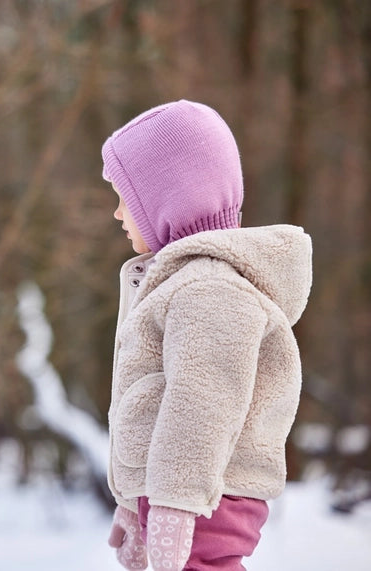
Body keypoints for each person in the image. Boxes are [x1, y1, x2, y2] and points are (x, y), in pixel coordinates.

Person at [101, 100, 313, 570]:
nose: (117, 213)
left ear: (166, 197)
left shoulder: (210, 288)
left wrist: (174, 505)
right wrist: (134, 503)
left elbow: (202, 404)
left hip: (207, 493)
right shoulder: (181, 284)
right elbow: (155, 403)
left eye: (124, 198)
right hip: (186, 488)